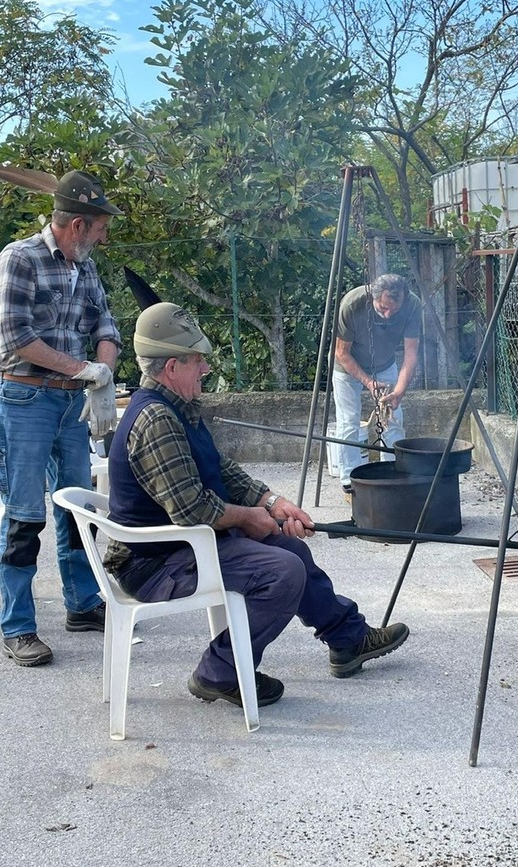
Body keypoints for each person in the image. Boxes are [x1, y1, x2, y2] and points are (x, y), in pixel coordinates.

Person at [104, 302, 409, 709]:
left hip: (182, 547)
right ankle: (219, 672)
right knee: (282, 572)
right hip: (156, 563)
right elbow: (193, 511)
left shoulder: (178, 408)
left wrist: (273, 502)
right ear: (171, 367)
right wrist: (250, 518)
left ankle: (348, 639)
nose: (206, 369)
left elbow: (222, 471)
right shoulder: (156, 419)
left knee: (291, 548)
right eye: (198, 361)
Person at [0, 170, 123, 667]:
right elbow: (16, 337)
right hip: (24, 400)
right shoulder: (19, 259)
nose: (105, 235)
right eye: (100, 226)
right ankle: (19, 627)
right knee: (24, 514)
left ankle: (83, 604)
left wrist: (103, 373)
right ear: (77, 225)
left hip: (72, 405)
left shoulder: (85, 269)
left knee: (77, 508)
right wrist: (83, 368)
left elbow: (105, 323)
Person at [333, 273, 422, 499]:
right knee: (349, 422)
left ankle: (393, 471)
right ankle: (349, 480)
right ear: (373, 298)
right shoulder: (352, 304)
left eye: (394, 309)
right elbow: (341, 353)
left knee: (393, 418)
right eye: (383, 308)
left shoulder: (412, 304)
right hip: (348, 366)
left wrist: (399, 390)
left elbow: (411, 354)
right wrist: (367, 382)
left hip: (385, 364)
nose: (388, 314)